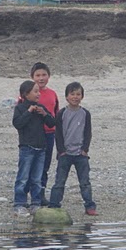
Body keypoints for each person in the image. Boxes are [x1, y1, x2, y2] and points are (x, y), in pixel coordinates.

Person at [48, 82, 98, 215]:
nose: (75, 97)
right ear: (66, 97)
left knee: (85, 182)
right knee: (59, 182)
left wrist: (85, 149)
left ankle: (89, 206)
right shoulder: (62, 113)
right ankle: (54, 205)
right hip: (65, 153)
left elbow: (88, 132)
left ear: (82, 96)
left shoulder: (85, 113)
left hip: (81, 154)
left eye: (78, 94)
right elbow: (57, 133)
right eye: (72, 94)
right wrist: (61, 150)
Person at [12, 80, 55, 216]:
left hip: (41, 148)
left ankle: (35, 203)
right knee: (23, 177)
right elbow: (18, 124)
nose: (38, 94)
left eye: (39, 91)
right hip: (27, 148)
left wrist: (45, 114)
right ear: (26, 94)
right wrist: (29, 112)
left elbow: (52, 122)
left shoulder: (40, 107)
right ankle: (19, 203)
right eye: (35, 91)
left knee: (37, 178)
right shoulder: (20, 108)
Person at [29, 62, 59, 206]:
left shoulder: (52, 94)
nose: (41, 78)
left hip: (49, 133)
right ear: (32, 77)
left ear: (48, 76)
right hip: (33, 135)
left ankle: (41, 194)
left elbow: (57, 115)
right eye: (38, 75)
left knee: (45, 165)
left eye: (44, 75)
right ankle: (29, 195)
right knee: (31, 164)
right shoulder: (27, 94)